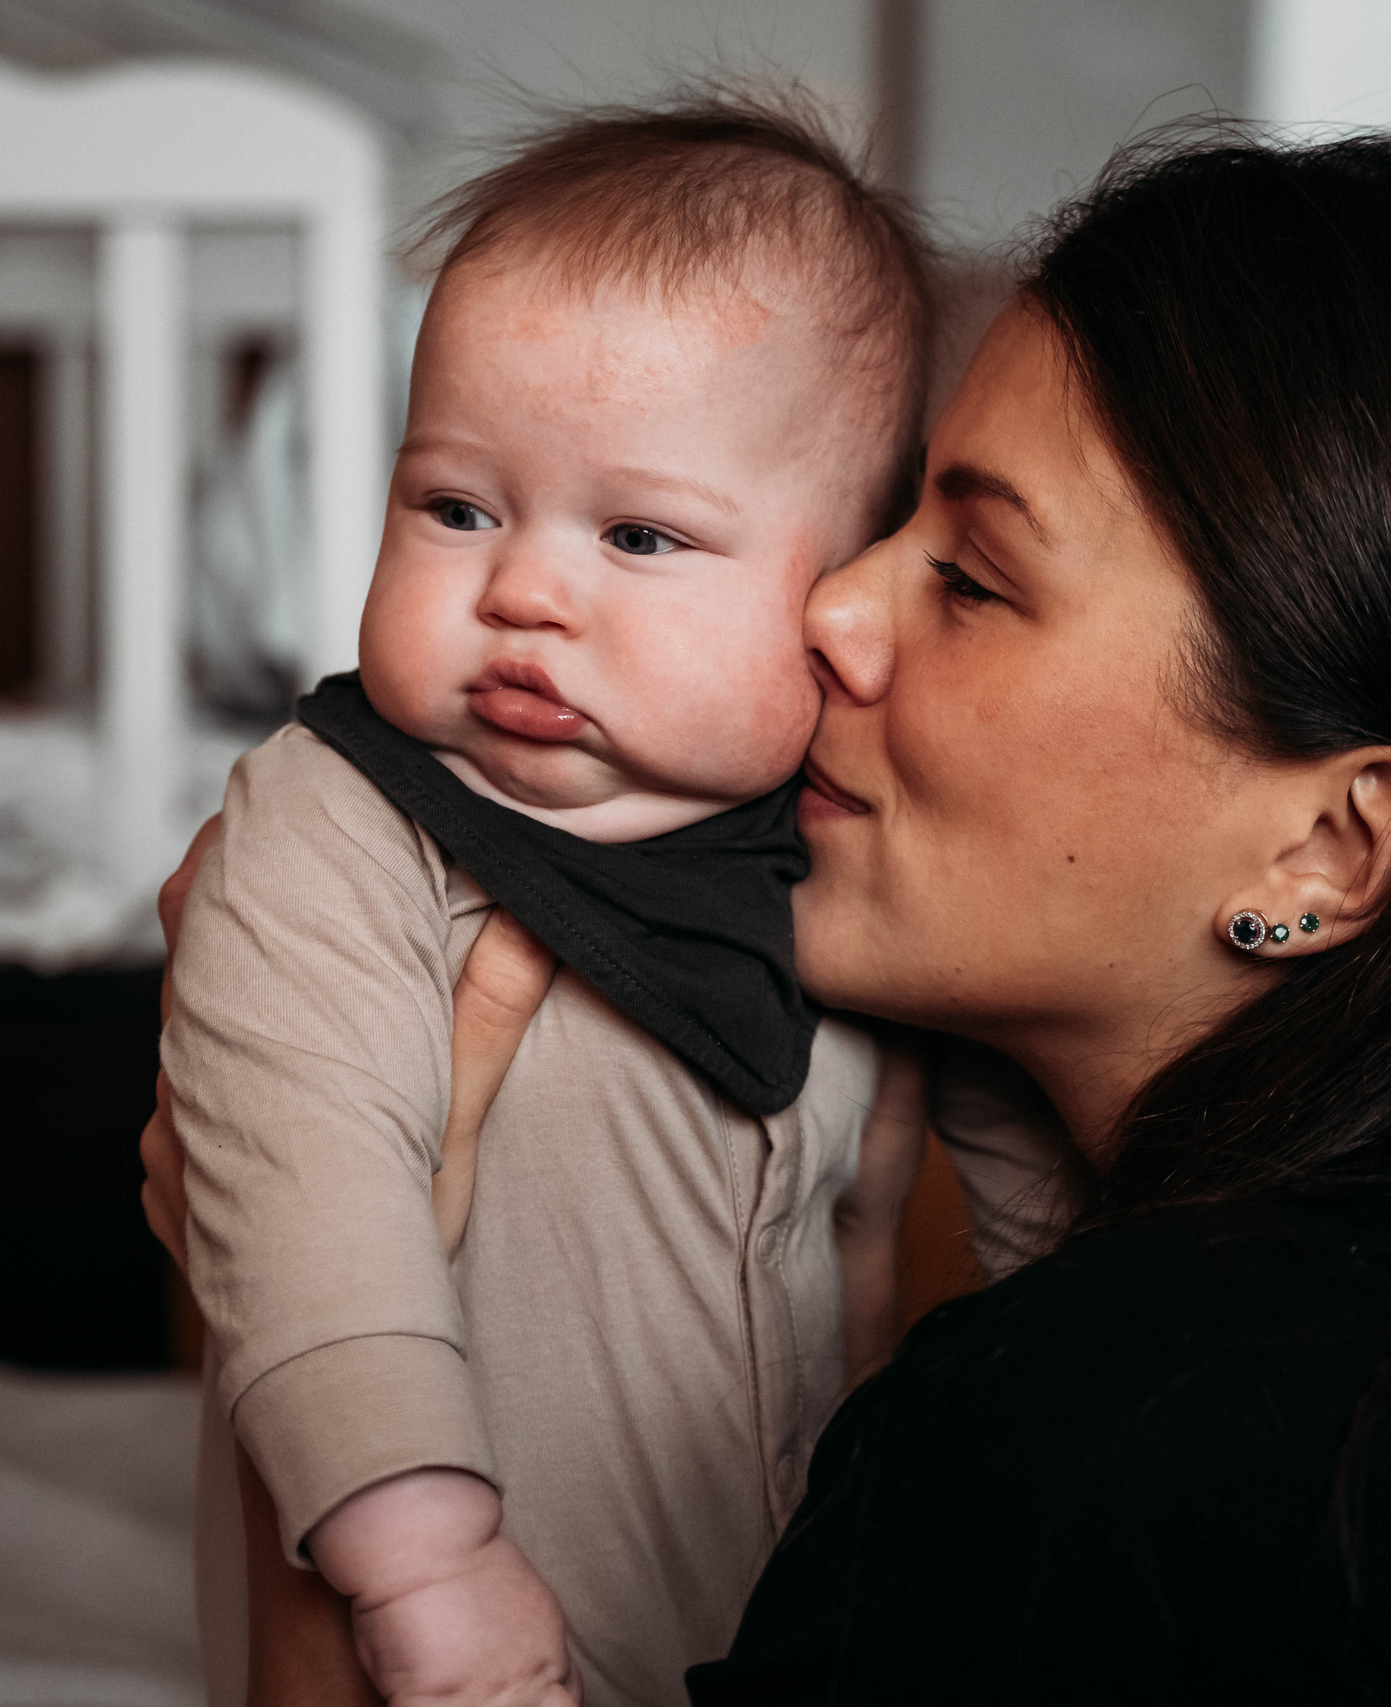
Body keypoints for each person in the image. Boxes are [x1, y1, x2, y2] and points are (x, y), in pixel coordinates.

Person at [674, 131, 1391, 1696]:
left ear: (1334, 853)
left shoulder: (1134, 1433)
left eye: (977, 577)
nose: (832, 610)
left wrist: (313, 1441)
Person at [161, 99, 997, 1707]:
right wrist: (423, 1556)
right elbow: (303, 1200)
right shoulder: (337, 820)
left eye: (639, 533)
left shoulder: (848, 845)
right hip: (438, 1640)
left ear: (843, 587)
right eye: (456, 507)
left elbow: (1040, 1194)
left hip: (782, 1616)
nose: (525, 590)